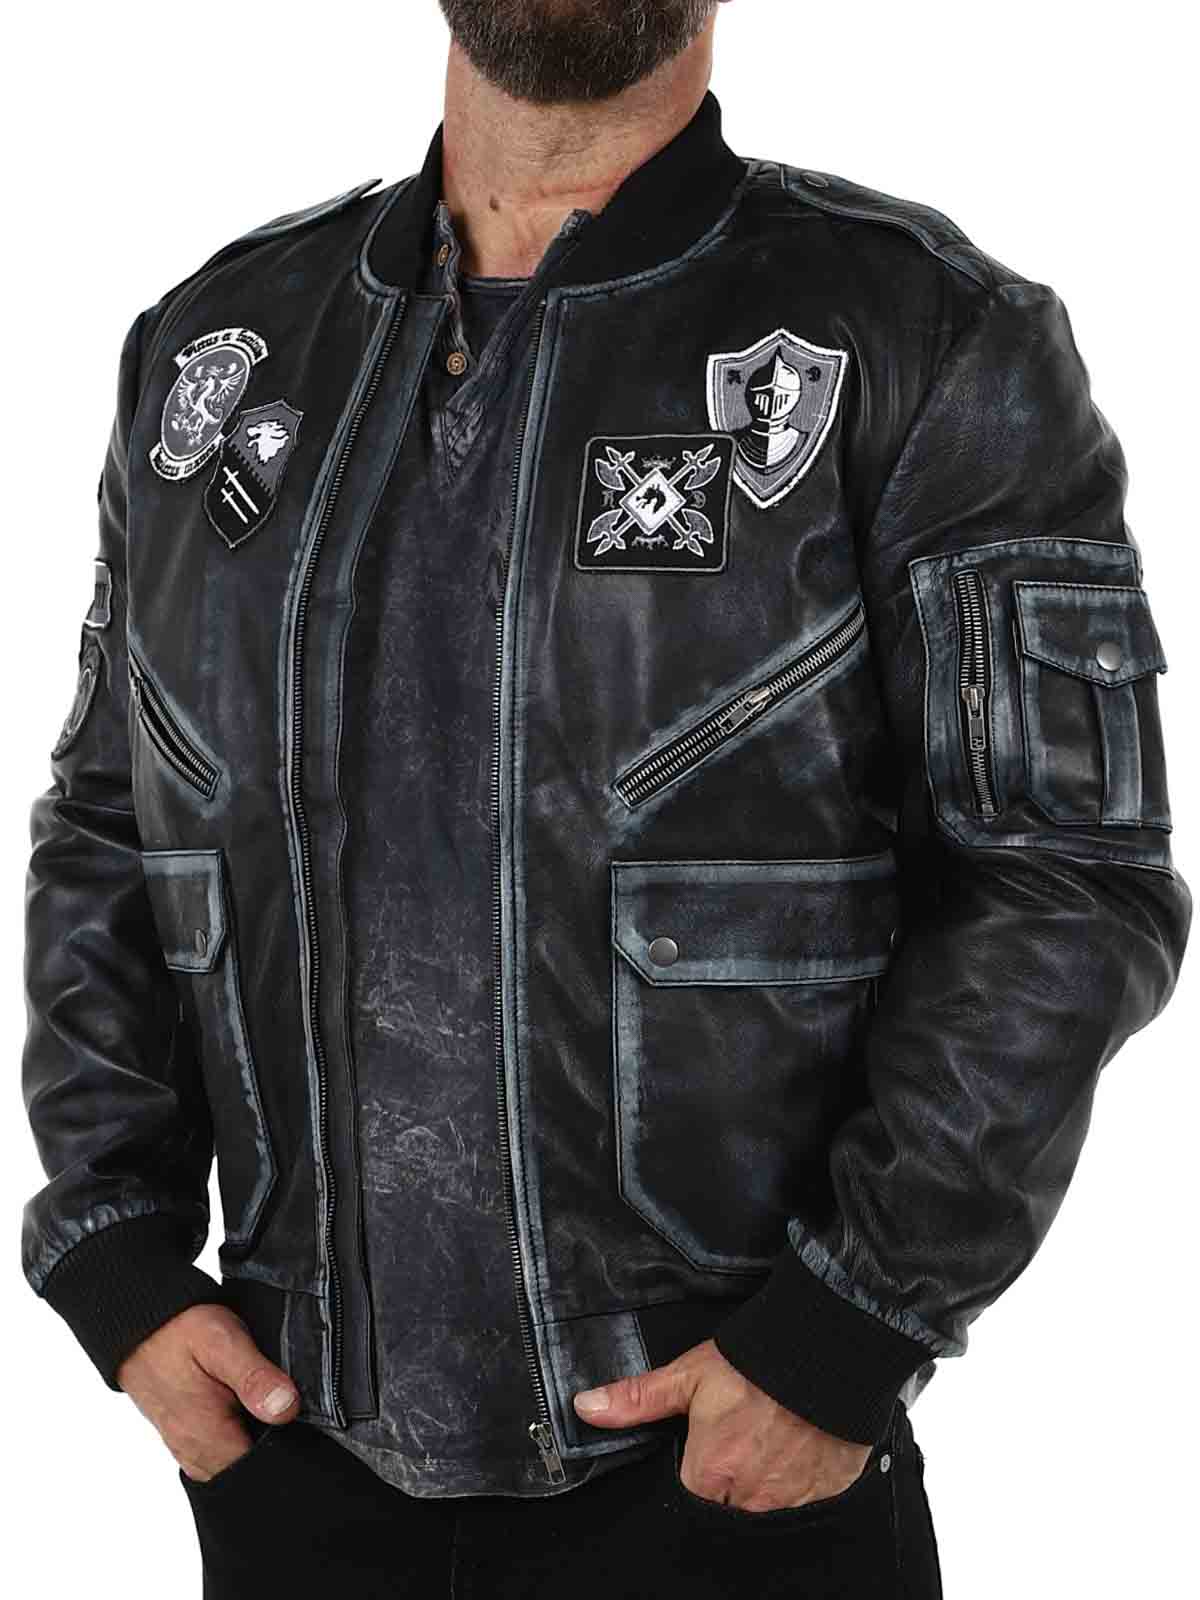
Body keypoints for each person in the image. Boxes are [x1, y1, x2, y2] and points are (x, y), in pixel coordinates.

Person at [20, 2, 1191, 1596]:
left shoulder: (923, 336)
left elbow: (1059, 880)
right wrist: (116, 1251)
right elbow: (111, 818)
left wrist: (848, 1328)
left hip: (733, 1476)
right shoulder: (220, 347)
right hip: (292, 1462)